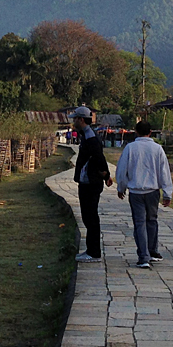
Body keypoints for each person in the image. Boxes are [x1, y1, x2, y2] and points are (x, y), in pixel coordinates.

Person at [116, 121, 173, 269]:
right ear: (150, 132)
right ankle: (152, 251)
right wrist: (167, 193)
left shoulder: (130, 148)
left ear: (136, 132)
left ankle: (143, 256)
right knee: (152, 221)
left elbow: (122, 170)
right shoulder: (157, 149)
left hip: (136, 191)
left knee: (139, 223)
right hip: (153, 191)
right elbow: (164, 172)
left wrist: (121, 187)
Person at [71, 106, 112, 263]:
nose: (74, 121)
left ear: (81, 120)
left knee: (91, 217)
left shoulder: (90, 138)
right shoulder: (87, 135)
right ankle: (90, 249)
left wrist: (105, 174)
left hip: (91, 183)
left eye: (75, 119)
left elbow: (99, 158)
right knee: (88, 217)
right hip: (87, 181)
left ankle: (94, 252)